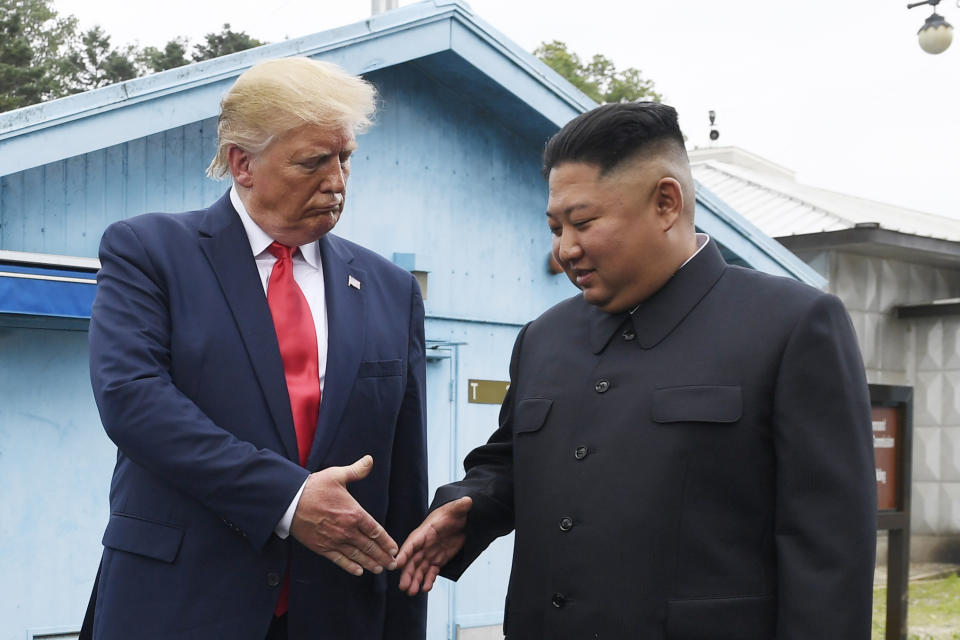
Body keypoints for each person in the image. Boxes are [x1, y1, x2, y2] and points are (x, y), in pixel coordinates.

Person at [397, 102, 876, 639]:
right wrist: (469, 506)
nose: (565, 248)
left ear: (666, 202)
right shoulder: (543, 337)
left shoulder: (791, 326)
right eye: (556, 227)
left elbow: (830, 550)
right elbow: (508, 462)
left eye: (583, 222)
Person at [83, 57, 427, 639]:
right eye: (313, 162)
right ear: (242, 163)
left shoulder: (390, 289)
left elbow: (402, 479)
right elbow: (133, 401)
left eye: (345, 159)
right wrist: (288, 498)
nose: (337, 182)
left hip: (337, 614)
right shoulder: (150, 251)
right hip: (179, 606)